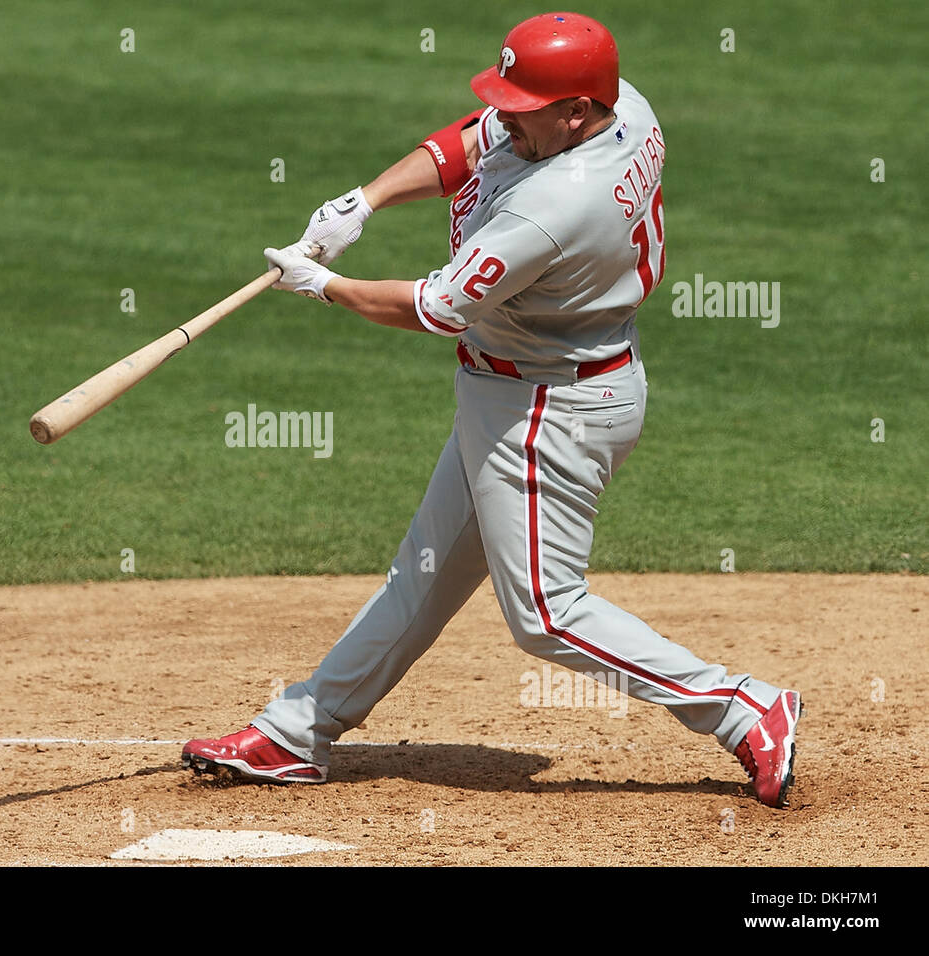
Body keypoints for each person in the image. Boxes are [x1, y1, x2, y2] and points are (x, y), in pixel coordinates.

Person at [182, 12, 801, 807]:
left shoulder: (557, 206)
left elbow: (434, 307)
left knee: (546, 611)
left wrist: (323, 286)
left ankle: (744, 708)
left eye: (524, 104)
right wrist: (362, 203)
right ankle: (297, 733)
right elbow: (476, 139)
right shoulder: (620, 106)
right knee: (425, 575)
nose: (506, 117)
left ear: (576, 112)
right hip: (517, 389)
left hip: (550, 409)